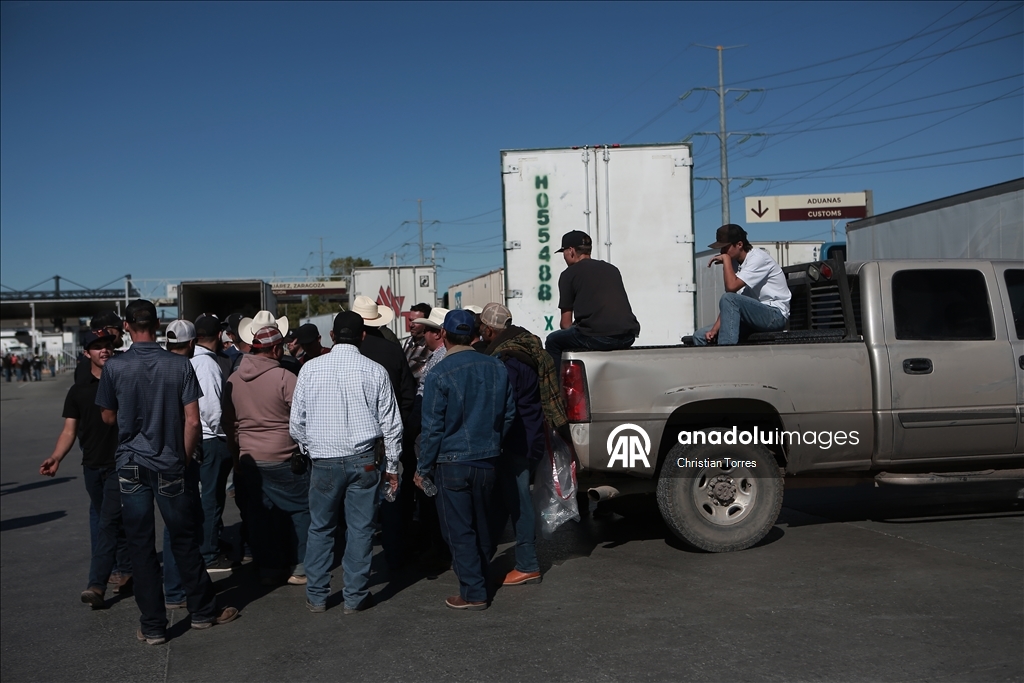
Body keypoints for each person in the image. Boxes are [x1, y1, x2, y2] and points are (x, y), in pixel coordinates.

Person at [96, 300, 238, 645]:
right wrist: (185, 459)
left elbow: (107, 417)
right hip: (170, 462)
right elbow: (193, 420)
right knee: (183, 537)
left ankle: (154, 625)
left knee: (140, 544)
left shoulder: (115, 367)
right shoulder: (179, 366)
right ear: (157, 325)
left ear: (127, 326)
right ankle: (202, 612)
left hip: (131, 463)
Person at [289, 311, 402, 614]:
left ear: (332, 337)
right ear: (363, 335)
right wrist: (392, 466)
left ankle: (316, 596)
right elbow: (391, 425)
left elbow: (296, 423)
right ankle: (354, 596)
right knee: (361, 529)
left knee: (321, 527)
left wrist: (309, 447)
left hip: (323, 460)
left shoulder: (310, 369)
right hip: (364, 460)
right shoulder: (375, 370)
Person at [416, 310, 516, 610]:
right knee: (482, 523)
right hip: (487, 458)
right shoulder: (496, 366)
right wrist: (494, 441)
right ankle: (480, 578)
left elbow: (432, 428)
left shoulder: (438, 373)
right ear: (475, 333)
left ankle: (473, 591)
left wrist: (423, 468)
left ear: (444, 336)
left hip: (451, 461)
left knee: (458, 529)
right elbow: (509, 414)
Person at [40, 330, 132, 608]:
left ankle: (96, 584)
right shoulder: (78, 391)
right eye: (97, 347)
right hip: (92, 467)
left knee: (106, 522)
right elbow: (70, 430)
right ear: (86, 353)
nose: (104, 350)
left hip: (121, 464)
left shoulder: (124, 383)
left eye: (108, 346)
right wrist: (56, 457)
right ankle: (128, 569)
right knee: (114, 521)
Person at [479, 302, 566, 586]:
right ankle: (483, 555)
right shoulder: (529, 348)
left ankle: (528, 564)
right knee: (504, 500)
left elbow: (506, 408)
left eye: (483, 327)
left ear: (490, 329)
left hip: (515, 440)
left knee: (517, 502)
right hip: (530, 437)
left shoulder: (508, 360)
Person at [223, 325, 308, 586]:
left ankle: (270, 567)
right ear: (274, 349)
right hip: (283, 455)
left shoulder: (233, 380)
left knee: (260, 513)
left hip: (249, 456)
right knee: (299, 509)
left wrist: (236, 457)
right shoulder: (284, 377)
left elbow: (228, 423)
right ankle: (301, 565)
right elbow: (302, 418)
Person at [357, 306, 417, 570]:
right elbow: (408, 392)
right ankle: (395, 552)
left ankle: (358, 558)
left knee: (356, 499)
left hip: (354, 437)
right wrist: (398, 424)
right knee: (389, 492)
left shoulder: (344, 354)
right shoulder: (392, 350)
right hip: (387, 434)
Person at [177, 317, 235, 574]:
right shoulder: (207, 364)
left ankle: (210, 542)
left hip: (196, 436)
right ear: (220, 334)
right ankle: (209, 553)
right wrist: (226, 435)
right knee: (212, 497)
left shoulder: (189, 359)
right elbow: (212, 408)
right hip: (211, 438)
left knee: (205, 496)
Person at [544, 230, 640, 371]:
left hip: (599, 338)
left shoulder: (568, 274)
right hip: (628, 336)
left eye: (563, 252)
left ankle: (558, 390)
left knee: (552, 340)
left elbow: (565, 323)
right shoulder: (612, 269)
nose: (564, 257)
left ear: (571, 251)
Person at [692, 224, 791, 346]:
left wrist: (726, 261)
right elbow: (729, 304)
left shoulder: (758, 258)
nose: (722, 252)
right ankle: (714, 364)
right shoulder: (735, 263)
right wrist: (714, 330)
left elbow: (731, 288)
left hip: (774, 315)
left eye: (725, 247)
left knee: (729, 298)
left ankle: (727, 357)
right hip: (751, 317)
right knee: (700, 336)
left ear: (739, 244)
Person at [75, 312, 125, 384]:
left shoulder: (87, 363)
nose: (122, 333)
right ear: (106, 330)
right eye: (119, 328)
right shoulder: (87, 368)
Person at [403, 303, 432, 381]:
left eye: (416, 321)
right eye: (410, 320)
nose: (411, 325)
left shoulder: (430, 346)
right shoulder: (408, 342)